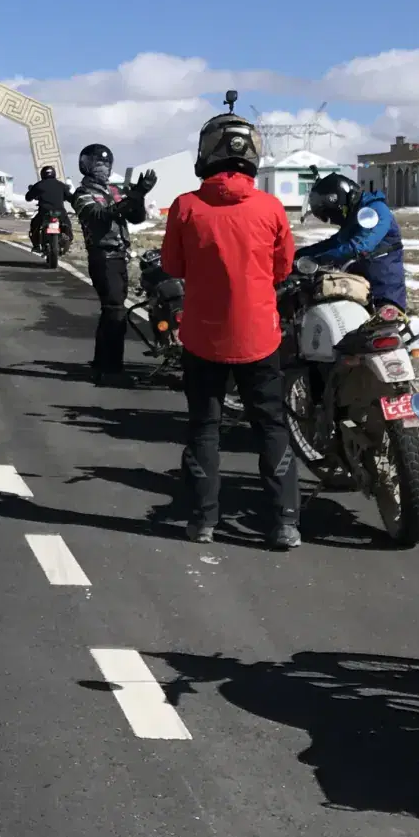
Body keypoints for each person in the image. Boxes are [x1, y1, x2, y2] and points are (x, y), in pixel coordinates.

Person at [161, 107, 299, 548]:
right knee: (271, 427)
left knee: (205, 427)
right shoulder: (270, 207)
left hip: (203, 336)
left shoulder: (186, 206)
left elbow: (172, 265)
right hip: (259, 335)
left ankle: (203, 520)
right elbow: (283, 268)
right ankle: (284, 522)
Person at [72, 143, 156, 383]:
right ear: (86, 166)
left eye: (106, 164)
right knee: (115, 311)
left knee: (112, 310)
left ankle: (102, 362)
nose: (103, 168)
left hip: (119, 255)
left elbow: (136, 217)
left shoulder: (114, 190)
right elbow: (98, 216)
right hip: (102, 256)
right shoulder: (82, 193)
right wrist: (132, 197)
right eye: (98, 164)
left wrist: (138, 196)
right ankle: (111, 371)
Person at [297, 172, 406, 312]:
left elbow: (360, 246)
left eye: (329, 214)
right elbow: (336, 243)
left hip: (384, 289)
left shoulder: (375, 210)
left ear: (337, 201)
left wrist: (319, 259)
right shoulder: (354, 214)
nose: (332, 219)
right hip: (359, 285)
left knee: (384, 323)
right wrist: (301, 254)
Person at [25, 163, 74, 250]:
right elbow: (71, 198)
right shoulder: (61, 185)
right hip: (60, 212)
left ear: (42, 174)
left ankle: (36, 245)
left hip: (44, 212)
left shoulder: (39, 185)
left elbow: (28, 197)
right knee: (67, 224)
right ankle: (67, 238)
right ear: (54, 173)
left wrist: (33, 193)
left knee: (34, 225)